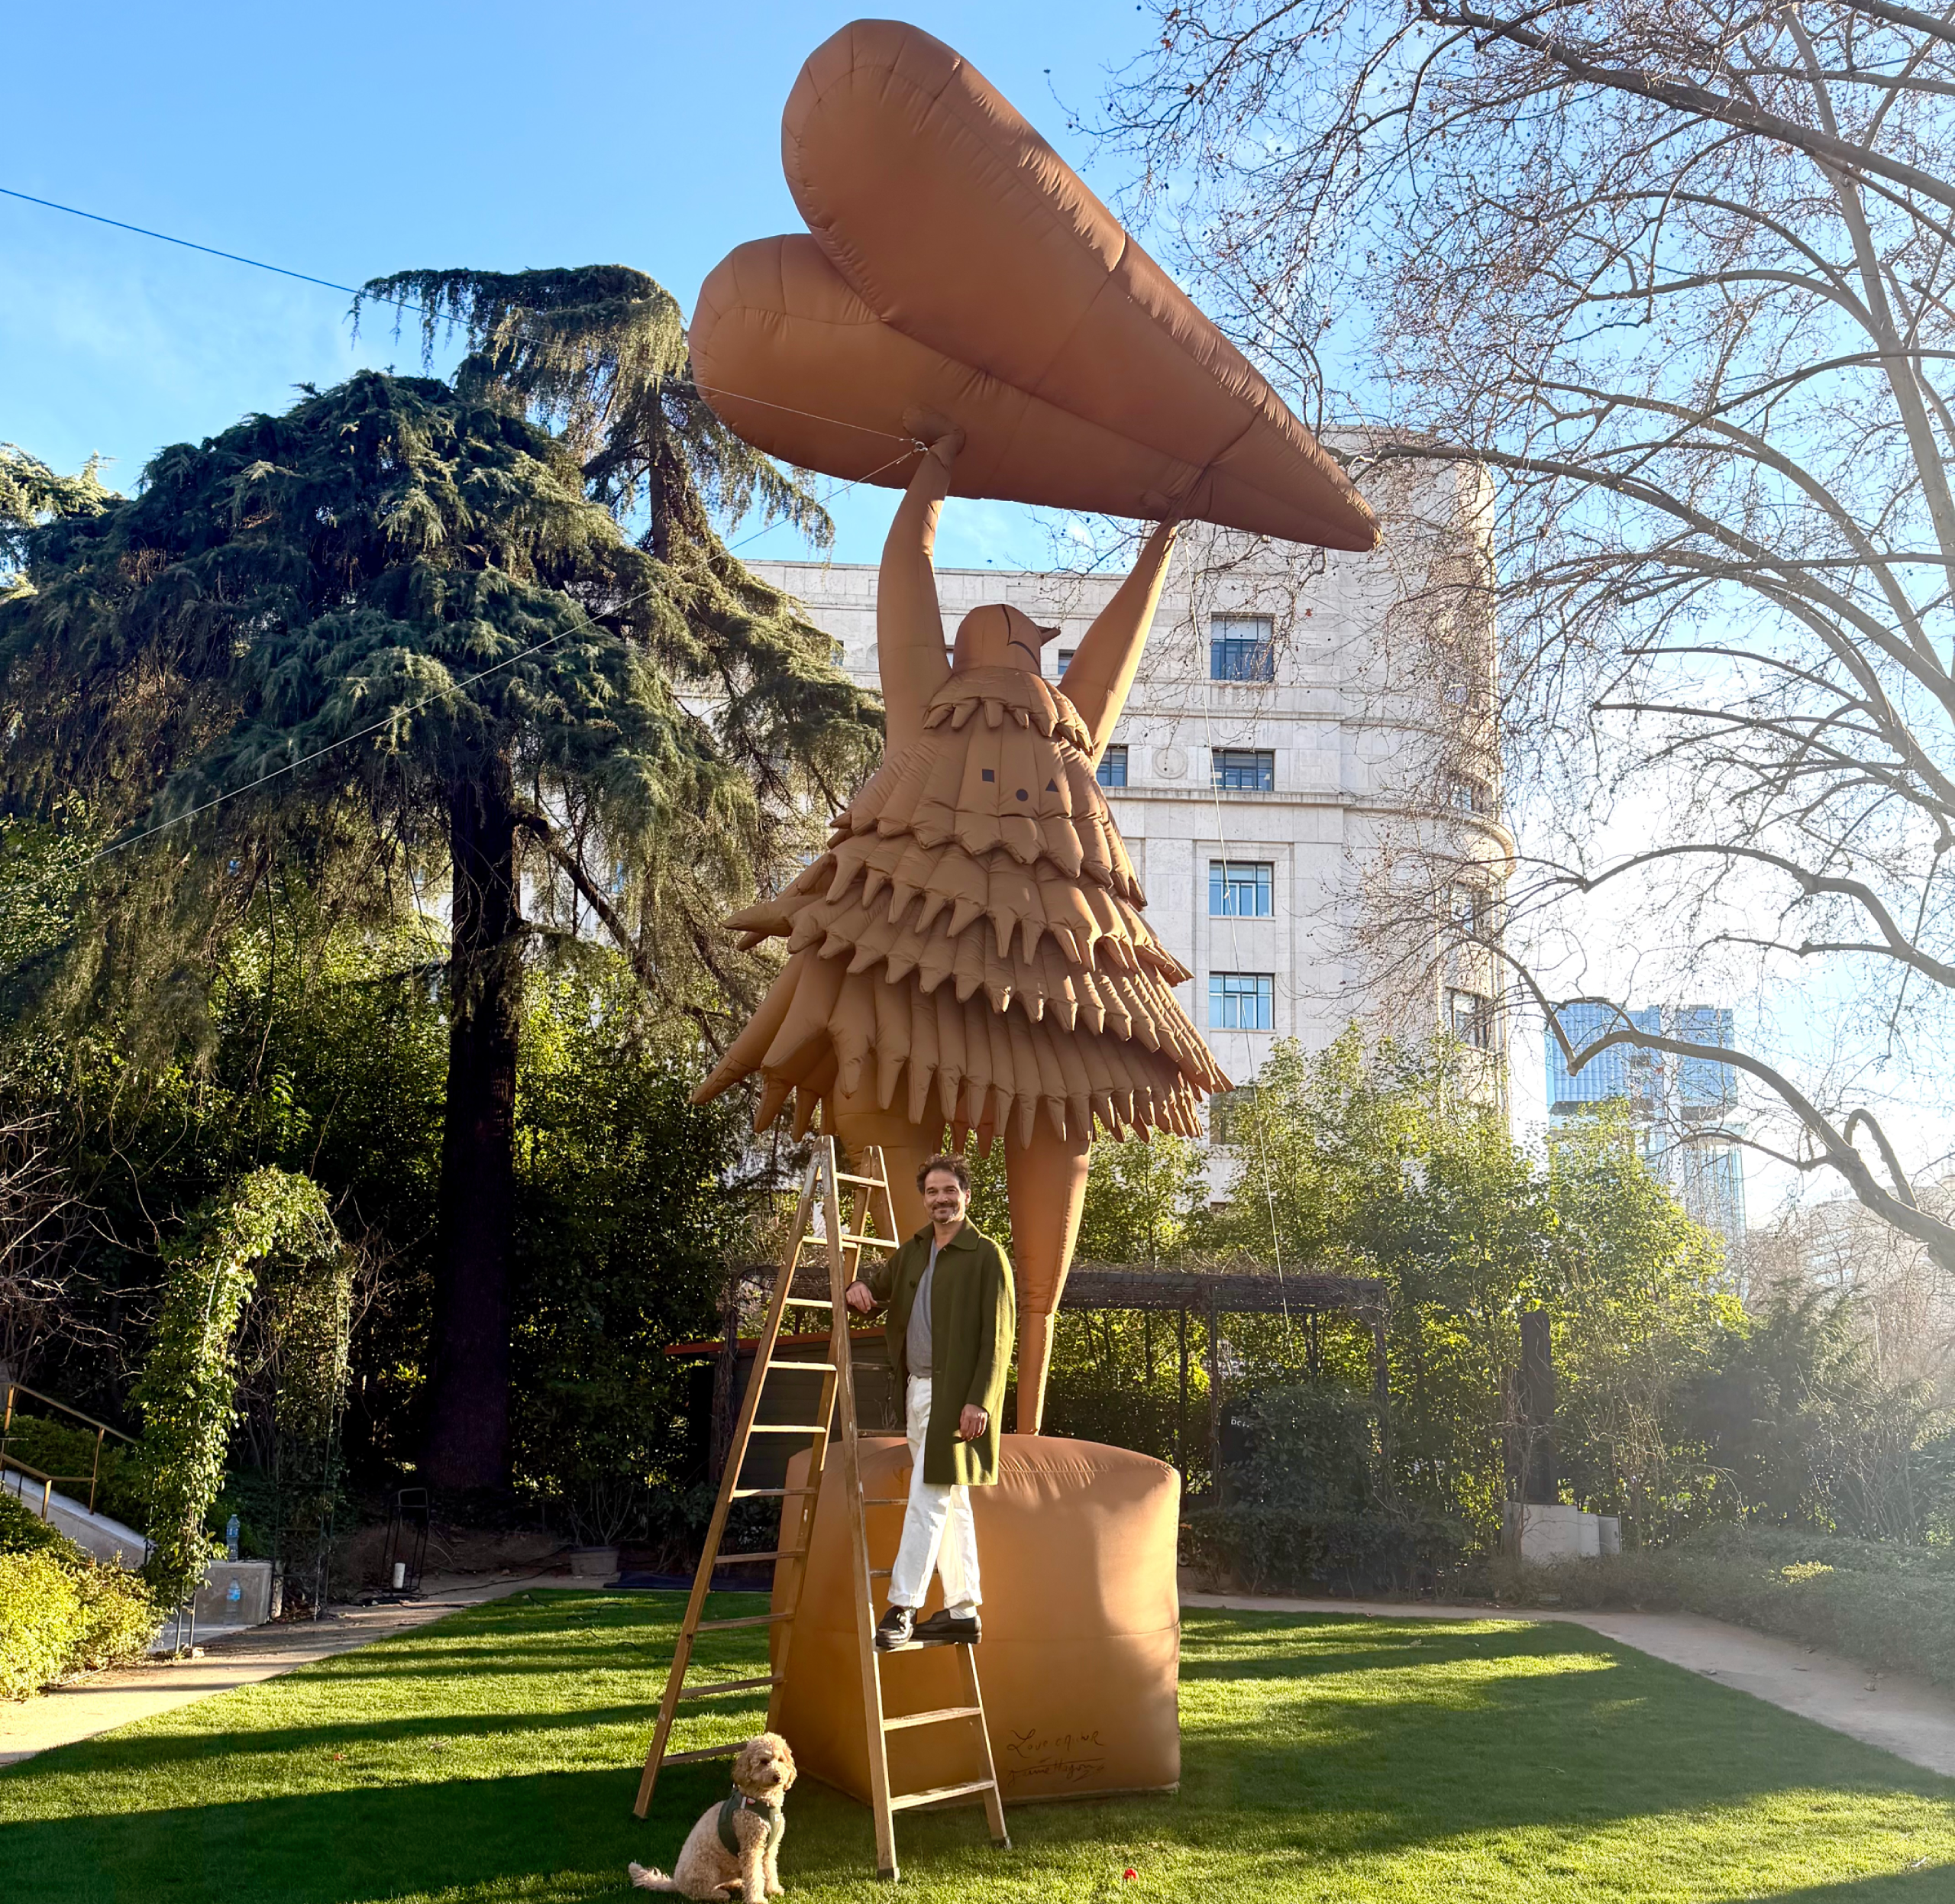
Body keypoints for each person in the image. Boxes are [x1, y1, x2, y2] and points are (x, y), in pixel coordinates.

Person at [693, 426, 1229, 1434]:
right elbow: (910, 573)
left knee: (1039, 1175)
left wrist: (1163, 537)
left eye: (1031, 636)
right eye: (1017, 632)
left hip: (1053, 988)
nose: (1029, 639)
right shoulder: (934, 708)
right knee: (902, 1175)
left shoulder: (1054, 726)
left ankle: (1013, 1425)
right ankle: (927, 1414)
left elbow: (1101, 641)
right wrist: (933, 466)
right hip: (911, 973)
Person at [845, 1151, 1013, 1648]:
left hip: (957, 1399)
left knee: (927, 1498)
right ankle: (962, 1609)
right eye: (933, 1192)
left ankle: (903, 1606)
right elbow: (879, 1282)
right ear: (925, 1199)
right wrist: (859, 1286)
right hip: (917, 1389)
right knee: (950, 1501)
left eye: (950, 1190)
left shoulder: (986, 1255)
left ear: (967, 1194)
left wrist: (979, 1400)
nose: (941, 1199)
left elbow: (998, 1338)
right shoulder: (915, 1248)